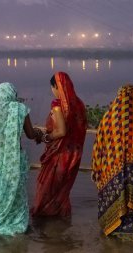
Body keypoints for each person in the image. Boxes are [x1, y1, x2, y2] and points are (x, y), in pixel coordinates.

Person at [91, 84, 133, 242]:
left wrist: (102, 168)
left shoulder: (109, 118)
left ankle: (115, 229)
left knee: (116, 198)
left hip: (113, 172)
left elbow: (99, 147)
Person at [0, 82, 42, 236]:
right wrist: (39, 133)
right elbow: (31, 134)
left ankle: (0, 225)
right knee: (16, 194)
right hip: (13, 162)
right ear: (12, 95)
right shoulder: (18, 109)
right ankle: (18, 228)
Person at [31, 72, 87, 217]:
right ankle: (61, 219)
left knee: (47, 187)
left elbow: (61, 131)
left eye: (53, 87)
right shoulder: (79, 104)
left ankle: (45, 218)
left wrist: (46, 137)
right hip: (75, 154)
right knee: (62, 189)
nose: (53, 91)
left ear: (57, 86)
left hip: (60, 154)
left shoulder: (57, 105)